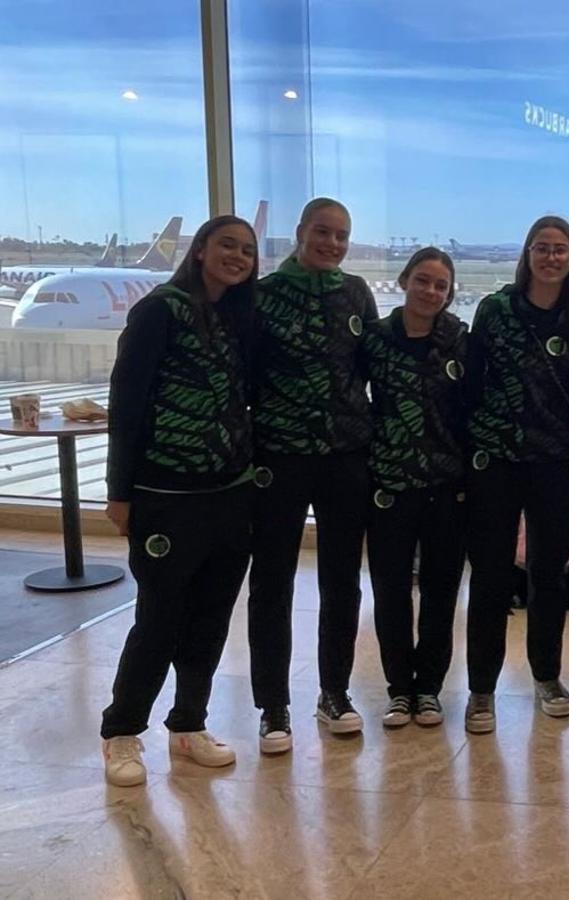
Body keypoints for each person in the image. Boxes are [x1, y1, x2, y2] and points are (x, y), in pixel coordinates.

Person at [100, 214, 258, 786]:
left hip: (229, 495)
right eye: (227, 245)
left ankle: (189, 724)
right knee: (159, 618)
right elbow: (127, 405)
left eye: (246, 249)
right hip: (166, 495)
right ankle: (121, 732)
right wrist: (119, 492)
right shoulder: (159, 311)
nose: (237, 256)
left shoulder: (237, 318)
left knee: (211, 617)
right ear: (200, 250)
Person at [247, 197, 378, 753]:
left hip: (346, 455)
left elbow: (374, 367)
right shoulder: (264, 297)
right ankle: (273, 706)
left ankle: (334, 692)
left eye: (341, 236)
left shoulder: (356, 294)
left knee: (342, 582)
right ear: (300, 233)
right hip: (279, 456)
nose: (332, 243)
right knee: (272, 582)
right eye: (322, 232)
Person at [463, 216, 569, 734]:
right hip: (497, 462)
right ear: (527, 254)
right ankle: (481, 691)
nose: (551, 257)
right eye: (542, 248)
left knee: (549, 577)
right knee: (490, 578)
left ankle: (547, 677)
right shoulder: (495, 311)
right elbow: (469, 385)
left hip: (557, 463)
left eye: (560, 249)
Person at [363, 247, 469, 730]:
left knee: (441, 591)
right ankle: (398, 689)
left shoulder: (459, 341)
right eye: (422, 281)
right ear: (404, 281)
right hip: (390, 484)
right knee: (389, 591)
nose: (430, 292)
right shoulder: (376, 340)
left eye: (441, 286)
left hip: (447, 486)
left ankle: (428, 687)